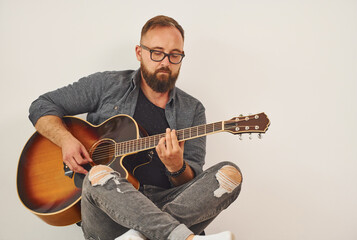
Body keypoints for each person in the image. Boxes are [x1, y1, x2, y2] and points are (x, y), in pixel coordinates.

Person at [29, 15, 242, 240]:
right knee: (99, 173)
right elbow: (41, 105)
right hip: (108, 215)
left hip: (165, 203)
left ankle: (139, 236)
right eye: (157, 52)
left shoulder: (193, 110)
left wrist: (176, 167)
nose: (165, 62)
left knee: (229, 174)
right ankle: (181, 237)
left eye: (175, 55)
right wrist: (66, 140)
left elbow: (193, 187)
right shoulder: (106, 85)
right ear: (140, 52)